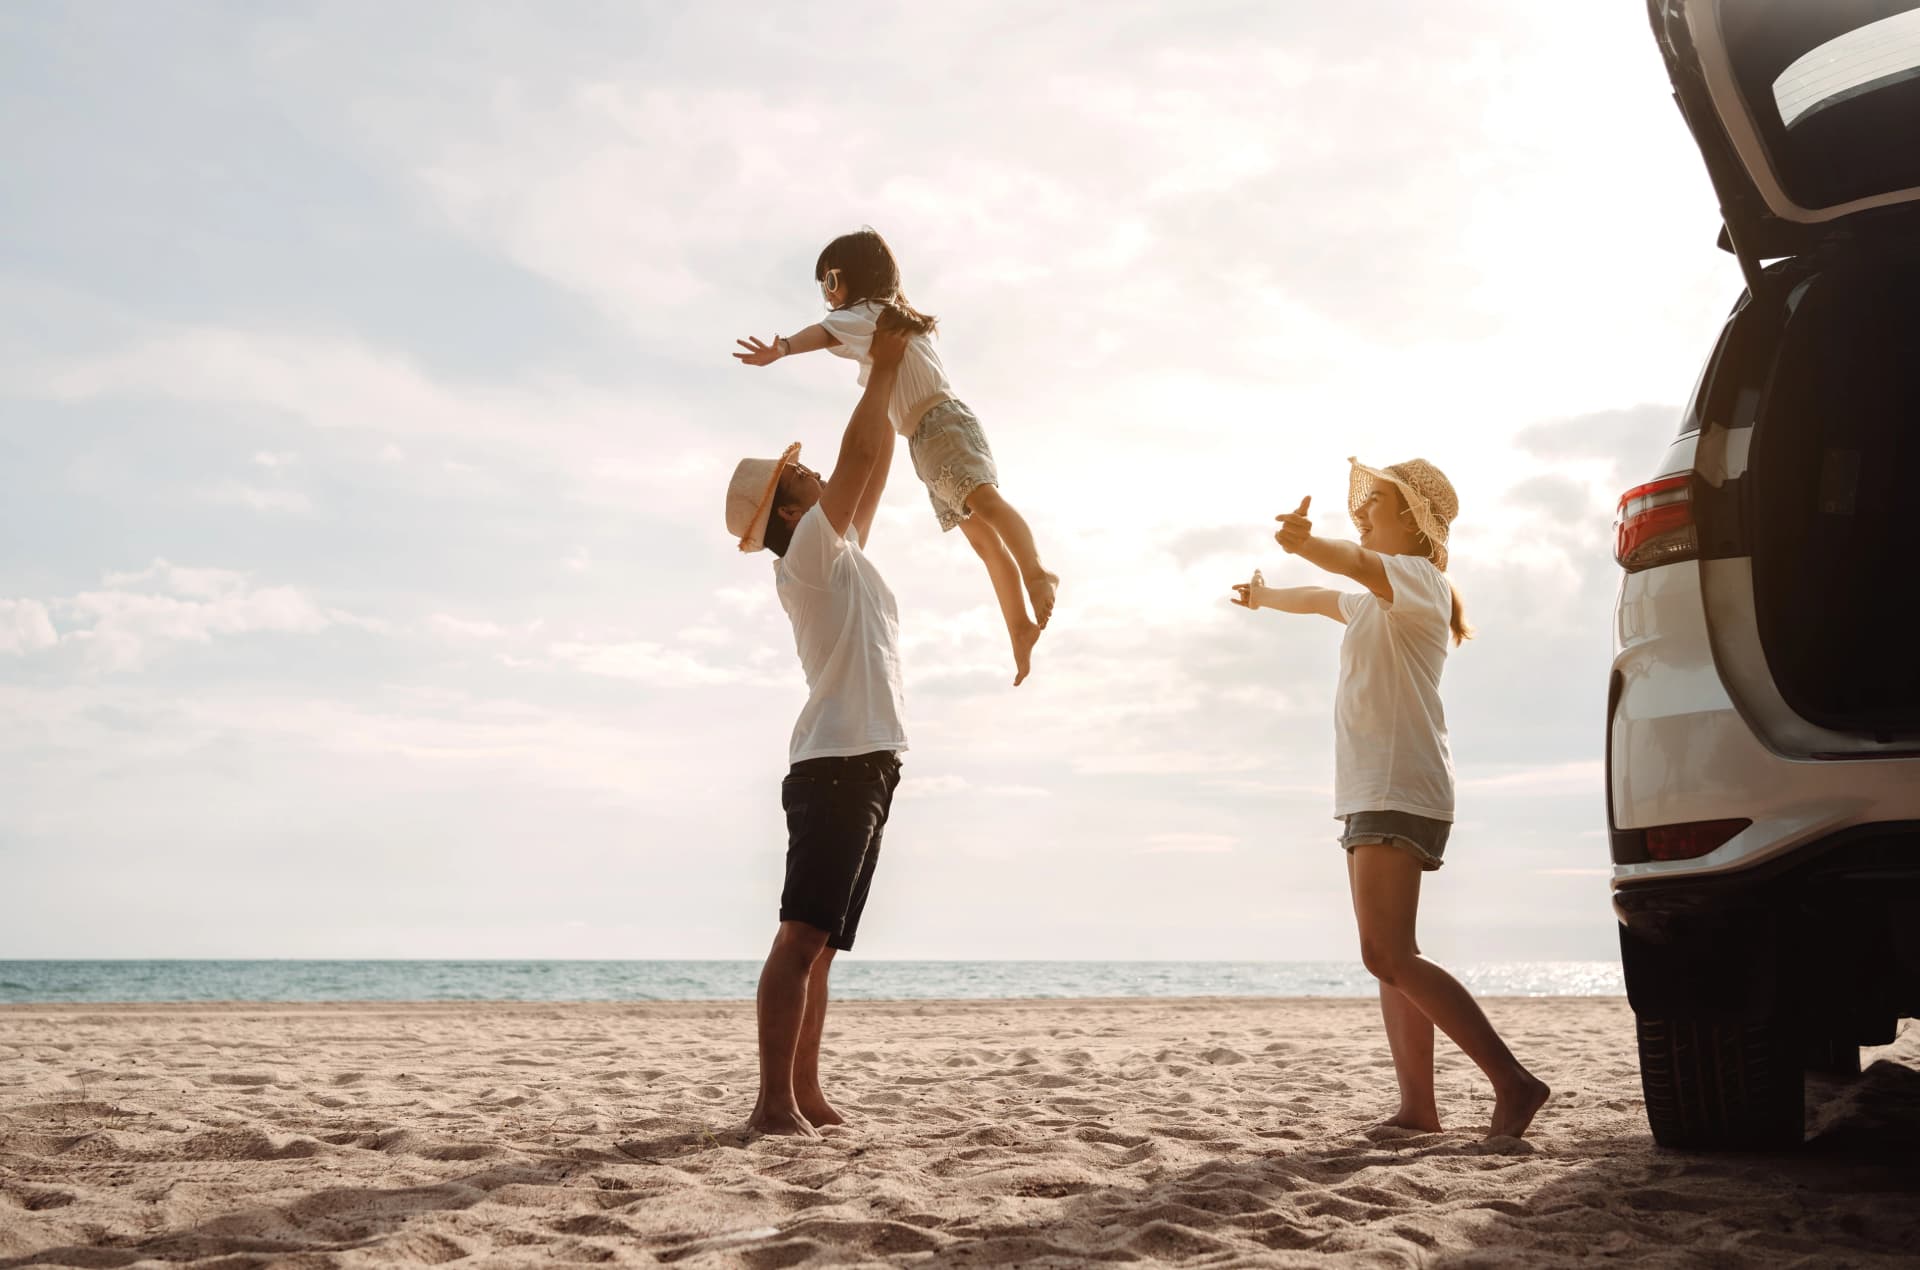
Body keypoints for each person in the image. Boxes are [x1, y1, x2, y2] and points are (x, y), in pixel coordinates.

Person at [1230, 458, 1551, 1140]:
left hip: (1398, 784)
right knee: (1392, 953)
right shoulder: (1379, 599)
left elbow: (1345, 564)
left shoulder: (1417, 580)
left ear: (1412, 518)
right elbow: (1325, 598)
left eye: (1376, 501)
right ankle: (1418, 1111)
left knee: (1387, 953)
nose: (1363, 511)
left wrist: (1307, 544)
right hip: (1374, 786)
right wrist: (1265, 597)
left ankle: (1513, 1083)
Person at [722, 319, 913, 1138]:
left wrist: (893, 377)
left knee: (824, 944)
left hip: (868, 761)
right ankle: (772, 1105)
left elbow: (877, 465)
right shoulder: (804, 554)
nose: (810, 470)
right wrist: (882, 369)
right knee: (801, 936)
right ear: (788, 507)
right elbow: (859, 460)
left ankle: (806, 1093)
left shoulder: (836, 550)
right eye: (798, 472)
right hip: (835, 764)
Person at [733, 227, 1058, 686]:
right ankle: (1018, 626)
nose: (827, 295)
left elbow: (824, 334)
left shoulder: (870, 314)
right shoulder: (884, 324)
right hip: (923, 439)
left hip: (938, 426)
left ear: (851, 279)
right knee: (980, 538)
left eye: (829, 280)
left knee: (985, 505)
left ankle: (1037, 571)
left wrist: (783, 348)